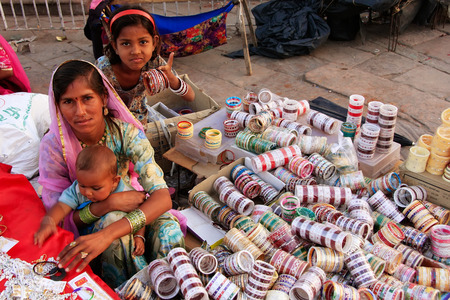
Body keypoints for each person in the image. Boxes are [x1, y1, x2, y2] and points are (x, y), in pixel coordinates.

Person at [38, 59, 185, 288]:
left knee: (169, 230)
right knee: (115, 233)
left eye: (87, 98)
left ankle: (174, 288)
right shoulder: (54, 147)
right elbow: (63, 217)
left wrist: (117, 221)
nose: (80, 112)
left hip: (131, 203)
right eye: (68, 102)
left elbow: (162, 197)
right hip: (90, 220)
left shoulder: (125, 133)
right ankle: (134, 291)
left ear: (103, 98)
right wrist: (107, 206)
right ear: (58, 106)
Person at [34, 145, 145, 257]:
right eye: (82, 185)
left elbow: (140, 214)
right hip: (87, 239)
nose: (87, 193)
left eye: (96, 188)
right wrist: (49, 220)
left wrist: (139, 236)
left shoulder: (126, 193)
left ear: (115, 181)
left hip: (117, 243)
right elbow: (62, 205)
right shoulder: (77, 189)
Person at [96, 5, 195, 125]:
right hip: (109, 124)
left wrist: (172, 79)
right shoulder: (103, 69)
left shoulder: (155, 63)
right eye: (126, 43)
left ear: (154, 43)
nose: (136, 51)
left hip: (140, 123)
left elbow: (190, 96)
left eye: (143, 42)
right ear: (115, 46)